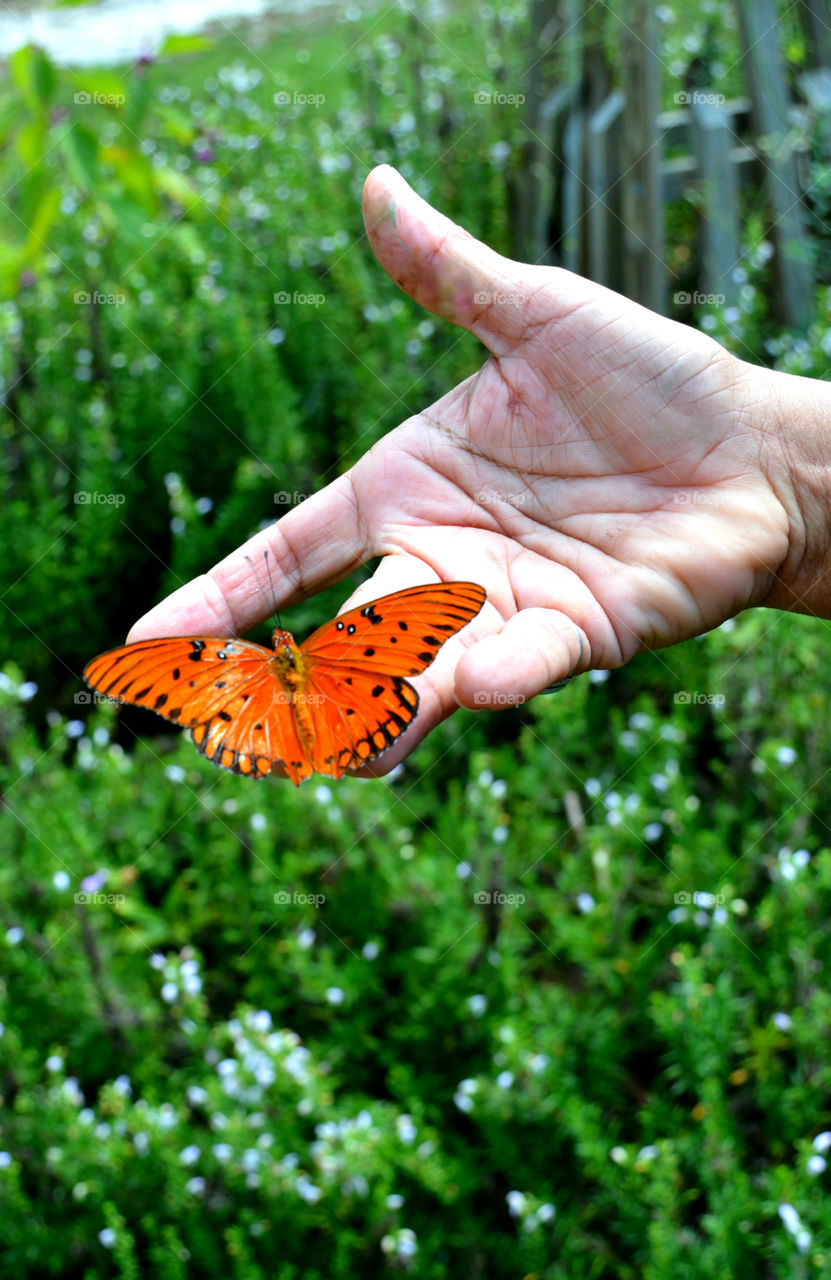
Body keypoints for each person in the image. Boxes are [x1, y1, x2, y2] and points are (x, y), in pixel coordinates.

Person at [128, 164, 831, 773]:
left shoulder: (267, 661)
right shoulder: (343, 646)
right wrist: (775, 476)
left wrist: (768, 468)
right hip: (352, 684)